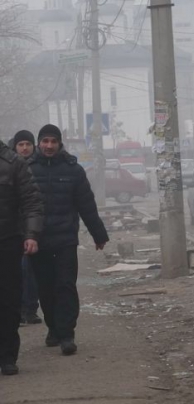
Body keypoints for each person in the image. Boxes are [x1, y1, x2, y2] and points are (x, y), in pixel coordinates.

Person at [28, 124, 109, 356]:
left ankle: (66, 334)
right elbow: (20, 206)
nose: (49, 146)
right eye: (45, 141)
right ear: (39, 143)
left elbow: (86, 204)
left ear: (60, 143)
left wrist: (98, 234)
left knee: (65, 285)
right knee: (45, 287)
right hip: (38, 240)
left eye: (54, 141)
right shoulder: (28, 169)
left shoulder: (73, 170)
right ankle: (53, 327)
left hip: (65, 239)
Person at [0, 139, 44, 376]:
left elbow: (32, 201)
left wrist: (31, 234)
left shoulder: (14, 163)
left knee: (8, 300)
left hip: (7, 241)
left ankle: (7, 356)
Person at [13, 130, 42, 325]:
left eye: (28, 144)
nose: (25, 148)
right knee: (21, 269)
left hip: (36, 225)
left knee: (34, 271)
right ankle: (22, 308)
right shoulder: (10, 166)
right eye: (21, 144)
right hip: (16, 228)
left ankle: (31, 308)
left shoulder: (40, 165)